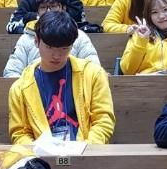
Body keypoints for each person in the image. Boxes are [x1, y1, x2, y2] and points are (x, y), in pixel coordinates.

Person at [8, 10, 114, 144]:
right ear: (36, 41)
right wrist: (37, 150)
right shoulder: (19, 88)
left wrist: (85, 149)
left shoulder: (93, 74)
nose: (56, 55)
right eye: (49, 47)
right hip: (41, 154)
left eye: (64, 48)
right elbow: (20, 133)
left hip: (86, 150)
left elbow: (103, 121)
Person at [4, 0, 99, 78]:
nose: (48, 11)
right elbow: (12, 72)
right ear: (37, 11)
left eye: (53, 6)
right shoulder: (26, 38)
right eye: (43, 7)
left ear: (63, 8)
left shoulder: (79, 36)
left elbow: (94, 70)